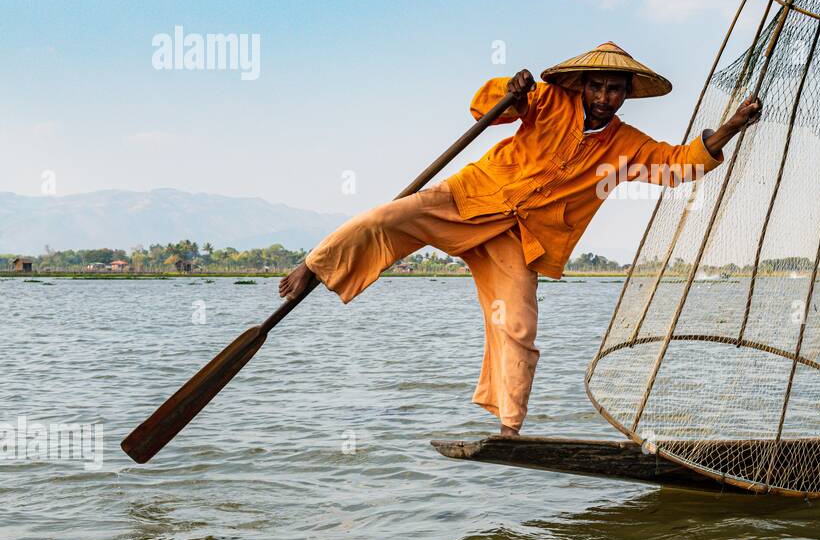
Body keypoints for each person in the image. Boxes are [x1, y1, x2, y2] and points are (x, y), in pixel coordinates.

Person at [279, 42, 760, 435]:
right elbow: (486, 110)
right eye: (599, 86)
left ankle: (510, 426)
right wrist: (510, 89)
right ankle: (314, 267)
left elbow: (677, 165)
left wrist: (731, 128)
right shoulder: (549, 101)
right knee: (383, 219)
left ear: (626, 95)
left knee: (518, 323)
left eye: (616, 90)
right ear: (583, 84)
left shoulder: (625, 143)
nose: (606, 96)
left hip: (522, 237)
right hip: (470, 198)